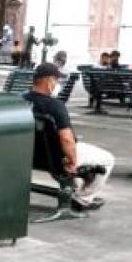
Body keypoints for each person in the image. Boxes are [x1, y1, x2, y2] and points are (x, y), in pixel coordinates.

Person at [24, 63, 114, 209]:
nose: (57, 84)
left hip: (32, 156)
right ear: (49, 81)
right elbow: (66, 138)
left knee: (74, 155)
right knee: (108, 159)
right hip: (56, 158)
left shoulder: (22, 99)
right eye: (56, 80)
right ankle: (83, 199)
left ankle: (75, 192)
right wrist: (73, 161)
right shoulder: (55, 106)